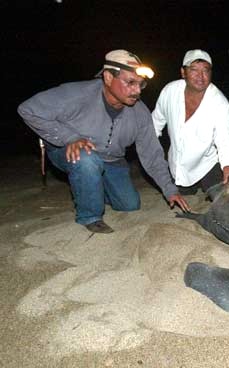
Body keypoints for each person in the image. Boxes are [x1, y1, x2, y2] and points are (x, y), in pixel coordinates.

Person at [17, 49, 189, 234]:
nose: (137, 91)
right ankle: (90, 216)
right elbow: (28, 110)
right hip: (71, 152)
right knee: (87, 160)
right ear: (108, 77)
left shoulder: (140, 113)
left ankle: (92, 189)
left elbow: (152, 154)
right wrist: (69, 138)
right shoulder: (77, 94)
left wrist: (170, 189)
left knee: (130, 205)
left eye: (141, 84)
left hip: (111, 159)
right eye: (130, 82)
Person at [152, 49, 229, 197]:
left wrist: (228, 165)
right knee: (177, 192)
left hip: (207, 164)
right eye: (194, 70)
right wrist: (151, 156)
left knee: (223, 196)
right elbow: (155, 124)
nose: (201, 76)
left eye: (206, 70)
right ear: (183, 72)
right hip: (177, 166)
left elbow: (224, 139)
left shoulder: (220, 103)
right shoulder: (169, 91)